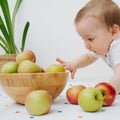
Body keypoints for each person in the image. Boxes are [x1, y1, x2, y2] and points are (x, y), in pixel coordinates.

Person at [56, 0, 120, 94]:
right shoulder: (106, 43)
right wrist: (74, 64)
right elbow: (89, 57)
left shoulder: (117, 47)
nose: (86, 45)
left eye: (90, 39)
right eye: (83, 39)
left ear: (113, 32)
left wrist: (105, 93)